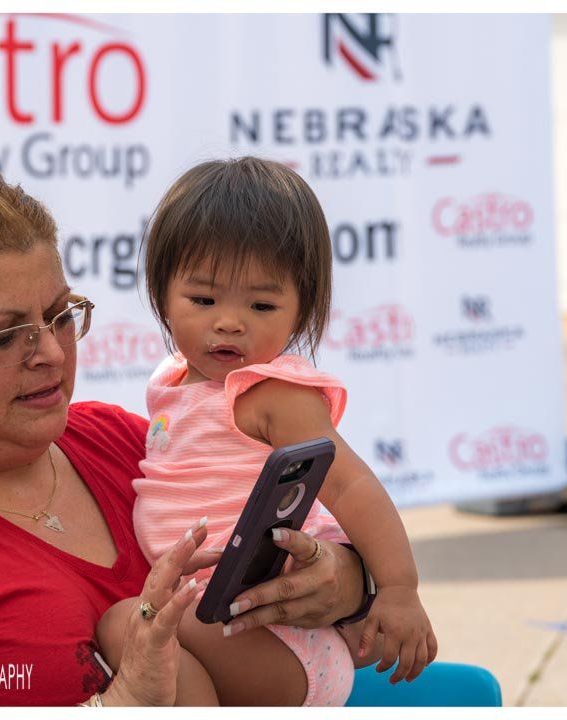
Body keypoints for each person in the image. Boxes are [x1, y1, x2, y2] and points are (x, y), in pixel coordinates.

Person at [0, 164, 376, 707]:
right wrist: (125, 701)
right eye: (2, 335)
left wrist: (343, 580)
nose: (51, 353)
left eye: (60, 315)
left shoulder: (120, 440)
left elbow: (321, 569)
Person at [96, 157, 438, 706]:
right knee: (157, 653)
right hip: (224, 622)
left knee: (124, 624)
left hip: (283, 638)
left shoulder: (269, 393)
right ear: (161, 294)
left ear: (301, 312)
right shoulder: (171, 381)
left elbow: (351, 487)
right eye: (203, 300)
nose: (229, 321)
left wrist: (398, 589)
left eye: (261, 304)